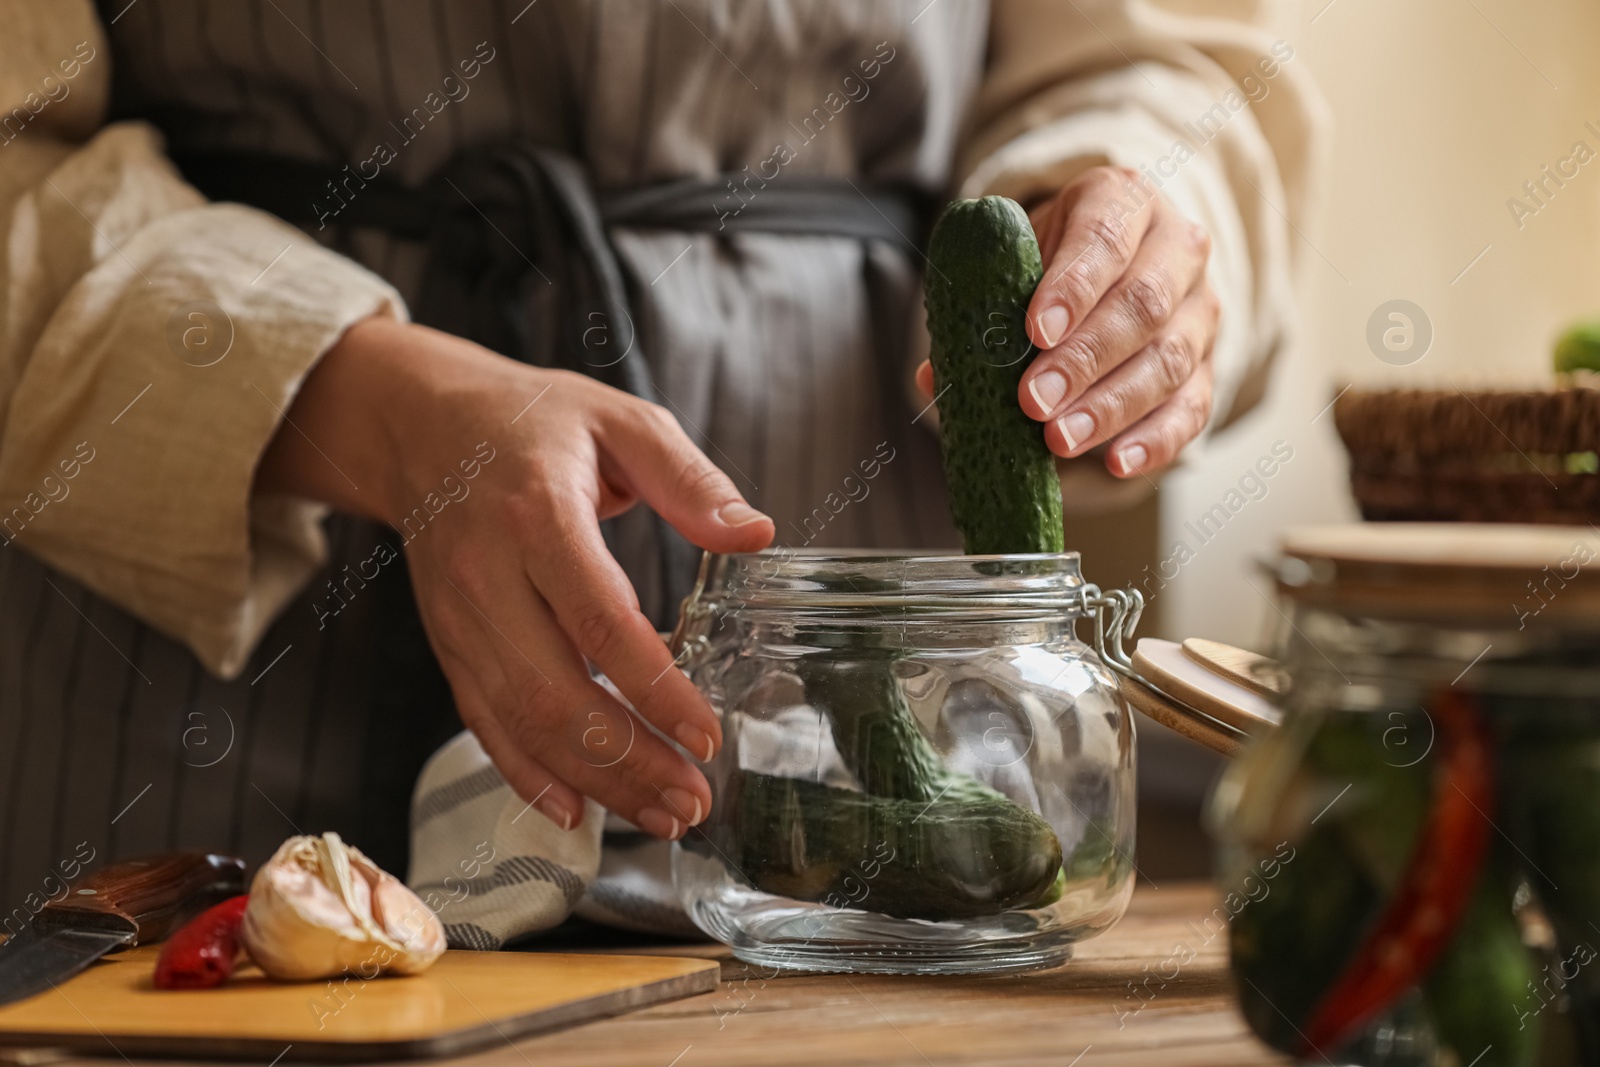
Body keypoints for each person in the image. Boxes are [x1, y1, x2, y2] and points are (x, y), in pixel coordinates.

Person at [0, 0, 1322, 909]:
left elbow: (1169, 58)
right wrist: (378, 408)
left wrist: (1139, 219)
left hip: (863, 709)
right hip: (204, 697)